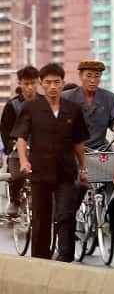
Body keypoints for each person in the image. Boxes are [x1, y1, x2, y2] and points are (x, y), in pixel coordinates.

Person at [13, 62, 90, 261]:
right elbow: (21, 137)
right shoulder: (31, 108)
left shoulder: (73, 109)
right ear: (42, 84)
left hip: (66, 171)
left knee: (66, 214)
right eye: (48, 82)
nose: (53, 86)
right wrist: (23, 161)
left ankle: (65, 257)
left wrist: (83, 168)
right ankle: (41, 259)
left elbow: (78, 142)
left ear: (63, 83)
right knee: (41, 217)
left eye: (57, 82)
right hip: (39, 170)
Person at [1, 66, 39, 217]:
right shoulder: (13, 105)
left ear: (38, 82)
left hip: (41, 150)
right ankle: (15, 200)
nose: (29, 87)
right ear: (20, 84)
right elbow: (5, 130)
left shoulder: (44, 102)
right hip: (17, 151)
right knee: (17, 176)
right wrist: (11, 147)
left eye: (32, 83)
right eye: (26, 83)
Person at [62, 60, 114, 151]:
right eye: (88, 76)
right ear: (80, 76)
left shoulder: (109, 97)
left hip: (100, 149)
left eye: (97, 76)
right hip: (72, 149)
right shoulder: (66, 97)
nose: (93, 80)